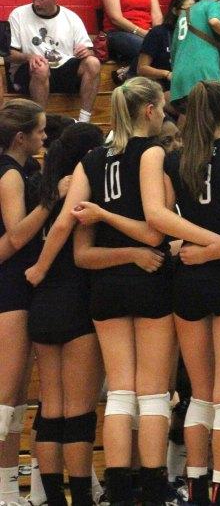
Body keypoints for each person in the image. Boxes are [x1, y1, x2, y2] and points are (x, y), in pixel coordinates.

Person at [140, 81, 220, 506]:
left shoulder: (176, 160)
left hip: (188, 278)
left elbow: (160, 223)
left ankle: (194, 484)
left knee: (200, 391)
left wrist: (195, 248)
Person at [70, 78, 175, 506]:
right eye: (163, 107)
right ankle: (151, 488)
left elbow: (82, 253)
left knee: (120, 392)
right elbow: (154, 232)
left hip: (107, 288)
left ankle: (118, 491)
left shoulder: (91, 161)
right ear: (148, 110)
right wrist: (131, 247)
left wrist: (107, 223)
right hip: (148, 281)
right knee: (150, 391)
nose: (165, 113)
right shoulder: (151, 152)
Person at [24, 123, 106, 506]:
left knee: (51, 408)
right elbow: (62, 227)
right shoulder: (79, 183)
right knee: (77, 411)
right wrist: (41, 267)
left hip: (42, 305)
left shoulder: (44, 184)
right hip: (74, 302)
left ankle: (55, 500)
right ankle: (84, 500)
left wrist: (39, 276)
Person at [0, 100, 50, 506]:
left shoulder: (24, 170)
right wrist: (51, 201)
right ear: (21, 137)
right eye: (40, 132)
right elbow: (16, 236)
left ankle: (6, 491)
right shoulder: (9, 174)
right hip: (10, 287)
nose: (44, 138)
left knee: (16, 399)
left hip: (20, 284)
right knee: (5, 394)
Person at [9, 0, 101, 123]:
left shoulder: (71, 18)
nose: (36, 3)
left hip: (63, 68)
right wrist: (29, 56)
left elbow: (90, 51)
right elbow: (8, 54)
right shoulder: (18, 15)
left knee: (93, 63)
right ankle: (40, 123)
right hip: (29, 70)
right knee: (40, 67)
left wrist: (86, 51)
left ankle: (84, 121)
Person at [137, 0, 195, 92]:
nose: (193, 14)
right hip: (162, 87)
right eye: (189, 10)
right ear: (175, 11)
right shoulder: (158, 33)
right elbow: (142, 68)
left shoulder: (195, 34)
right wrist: (166, 74)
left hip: (188, 86)